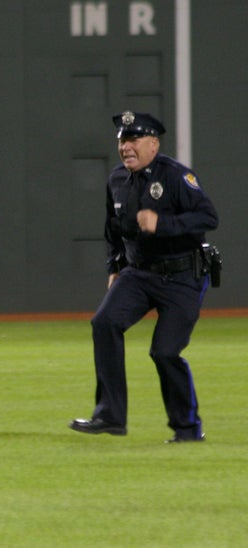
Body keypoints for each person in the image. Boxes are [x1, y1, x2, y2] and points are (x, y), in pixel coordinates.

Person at [70, 111, 219, 443]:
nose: (126, 147)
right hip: (138, 274)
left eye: (133, 140)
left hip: (183, 276)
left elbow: (208, 216)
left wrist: (163, 224)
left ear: (154, 143)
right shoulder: (117, 180)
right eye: (123, 141)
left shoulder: (176, 176)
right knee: (104, 323)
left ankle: (187, 429)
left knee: (164, 352)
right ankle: (109, 415)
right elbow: (112, 229)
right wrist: (114, 268)